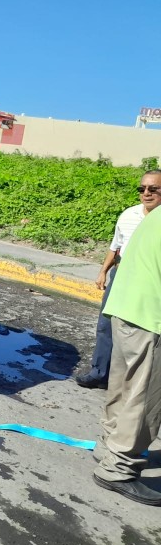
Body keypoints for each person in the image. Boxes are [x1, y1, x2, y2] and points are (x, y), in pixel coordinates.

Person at [92, 204, 161, 505]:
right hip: (150, 315)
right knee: (144, 397)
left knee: (122, 386)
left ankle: (109, 446)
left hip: (125, 308)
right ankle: (119, 469)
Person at [75, 170, 161, 388]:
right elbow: (115, 247)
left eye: (153, 189)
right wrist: (103, 271)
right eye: (142, 189)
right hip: (121, 276)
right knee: (106, 325)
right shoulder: (129, 215)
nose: (146, 193)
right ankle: (100, 373)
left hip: (151, 282)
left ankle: (133, 382)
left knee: (143, 334)